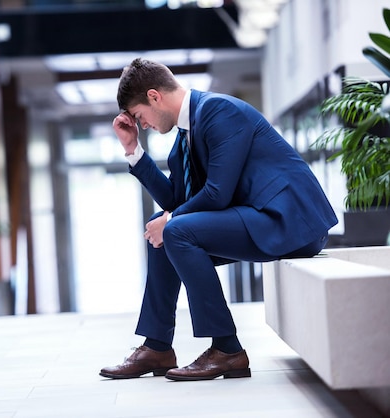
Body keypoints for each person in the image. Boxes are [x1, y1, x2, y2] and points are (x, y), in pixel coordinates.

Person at [99, 58, 338, 381]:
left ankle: (227, 349)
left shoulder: (219, 111)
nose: (143, 125)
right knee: (165, 227)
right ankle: (157, 347)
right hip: (256, 217)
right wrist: (133, 151)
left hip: (289, 221)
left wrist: (171, 219)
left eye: (140, 116)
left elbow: (217, 195)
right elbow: (176, 202)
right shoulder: (184, 138)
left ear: (154, 96)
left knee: (175, 228)